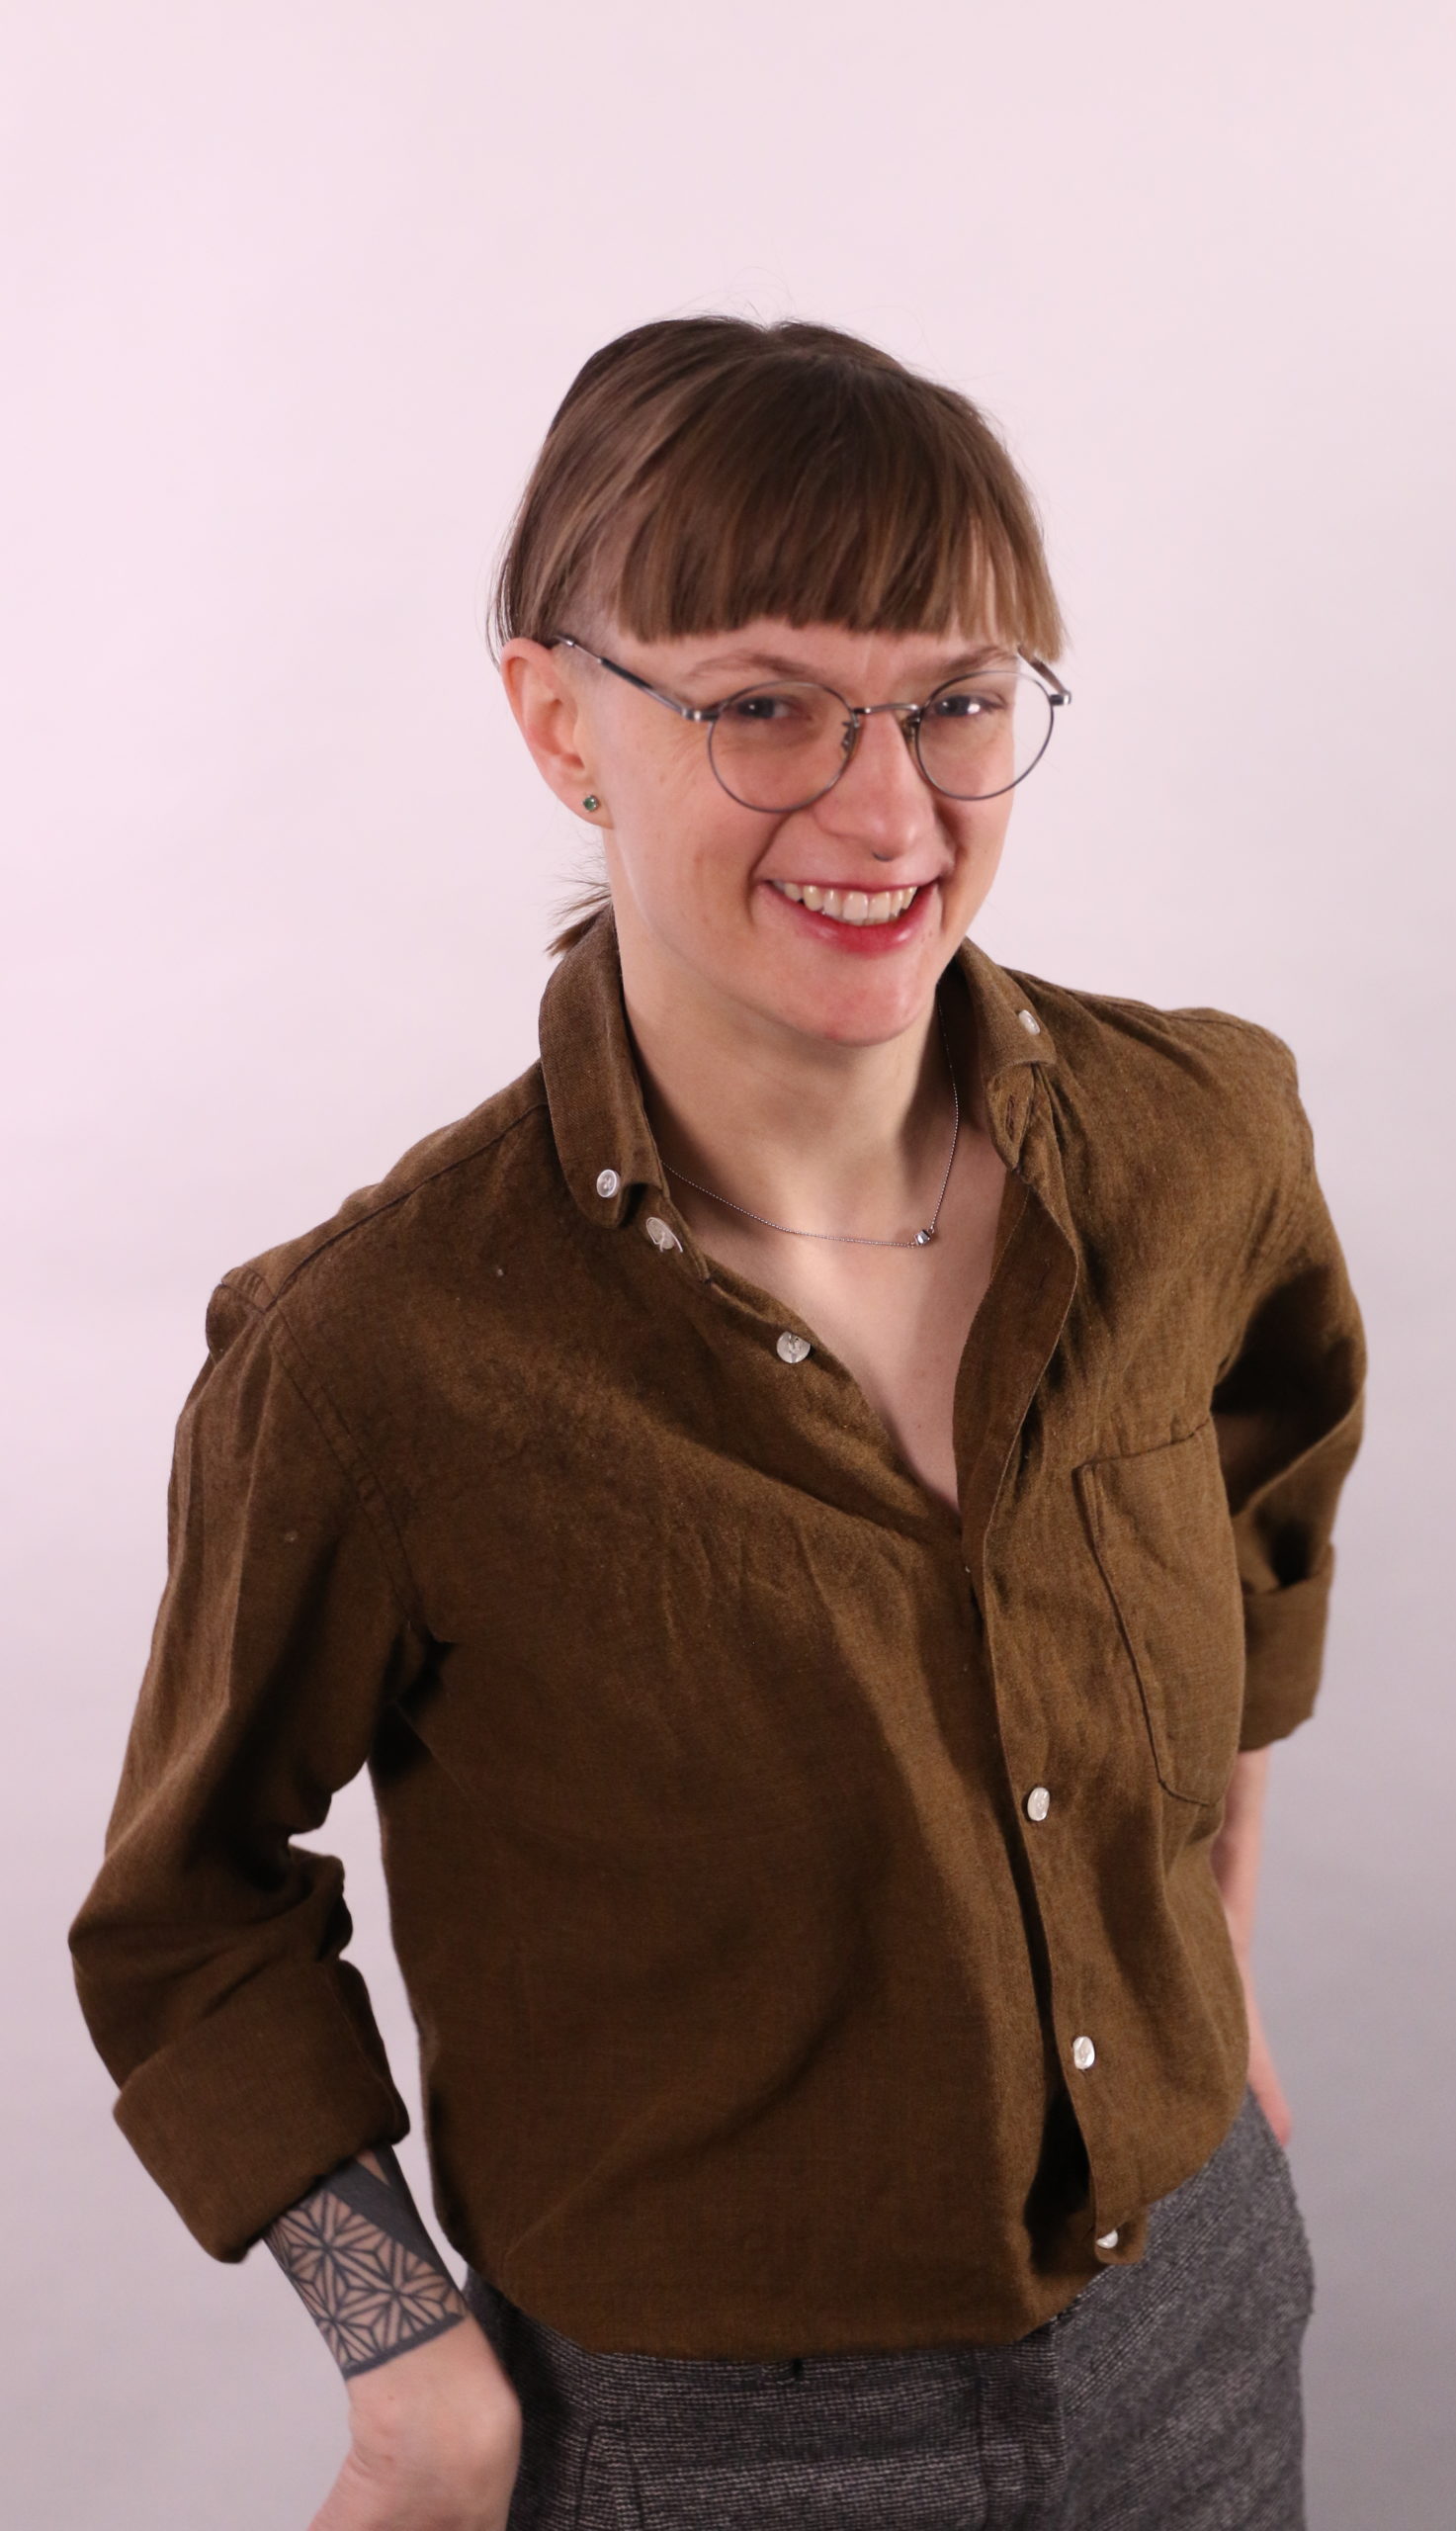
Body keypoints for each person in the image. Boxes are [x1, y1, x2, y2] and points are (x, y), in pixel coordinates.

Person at [68, 315, 1366, 2531]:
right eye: (763, 704)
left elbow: (1264, 1514)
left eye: (953, 700)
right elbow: (189, 1918)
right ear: (559, 720)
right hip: (702, 2452)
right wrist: (414, 2374)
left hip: (1198, 2343)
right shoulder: (379, 1356)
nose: (884, 812)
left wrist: (1213, 1976)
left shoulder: (1197, 1138)